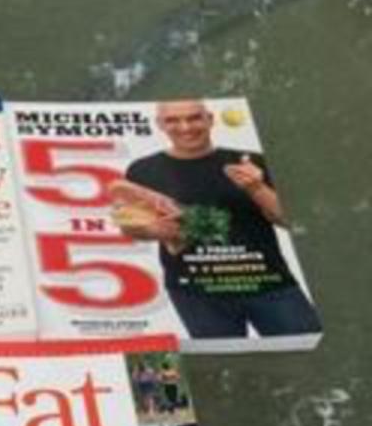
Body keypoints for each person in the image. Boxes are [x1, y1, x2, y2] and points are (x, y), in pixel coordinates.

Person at [111, 100, 322, 341]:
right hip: (196, 292)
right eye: (173, 120)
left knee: (310, 351)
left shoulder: (251, 162)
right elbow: (129, 227)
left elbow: (290, 221)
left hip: (269, 283)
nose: (185, 127)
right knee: (223, 361)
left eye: (194, 118)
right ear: (160, 124)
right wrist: (153, 230)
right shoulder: (143, 169)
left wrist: (257, 188)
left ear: (210, 119)